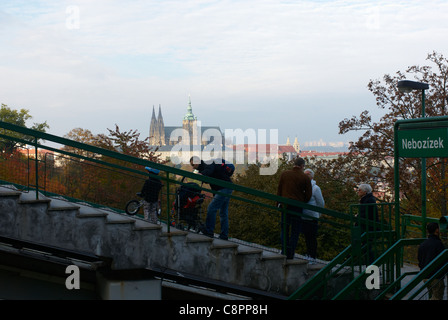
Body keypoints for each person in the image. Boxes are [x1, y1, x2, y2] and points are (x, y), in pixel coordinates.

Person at [190, 156, 233, 240]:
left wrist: (201, 174)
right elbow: (209, 177)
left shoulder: (208, 163)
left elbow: (209, 170)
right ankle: (224, 235)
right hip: (226, 187)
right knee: (223, 212)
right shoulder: (203, 168)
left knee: (211, 208)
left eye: (193, 164)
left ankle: (209, 231)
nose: (193, 166)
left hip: (223, 188)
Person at [277, 157, 312, 259]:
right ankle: (291, 253)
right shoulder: (305, 177)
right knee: (295, 230)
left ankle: (284, 250)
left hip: (285, 205)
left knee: (284, 228)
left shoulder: (285, 174)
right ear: (302, 166)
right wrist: (302, 201)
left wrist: (279, 203)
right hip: (297, 206)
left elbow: (279, 189)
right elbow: (309, 194)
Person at [418, 222, 445, 300]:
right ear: (437, 230)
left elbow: (420, 260)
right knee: (437, 297)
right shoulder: (438, 244)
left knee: (432, 295)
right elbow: (443, 259)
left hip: (425, 276)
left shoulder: (423, 244)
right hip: (436, 276)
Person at [302, 168, 325, 260]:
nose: (306, 176)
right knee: (307, 237)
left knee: (312, 237)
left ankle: (312, 255)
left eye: (307, 174)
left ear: (312, 176)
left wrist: (317, 214)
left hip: (312, 217)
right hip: (303, 216)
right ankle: (309, 254)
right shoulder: (302, 187)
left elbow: (321, 203)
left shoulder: (315, 188)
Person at [356, 183, 379, 264]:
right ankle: (371, 269)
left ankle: (372, 268)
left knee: (367, 249)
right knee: (367, 249)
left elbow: (366, 214)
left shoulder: (368, 200)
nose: (358, 192)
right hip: (368, 227)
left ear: (365, 192)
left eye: (359, 190)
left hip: (368, 228)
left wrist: (358, 217)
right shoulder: (368, 199)